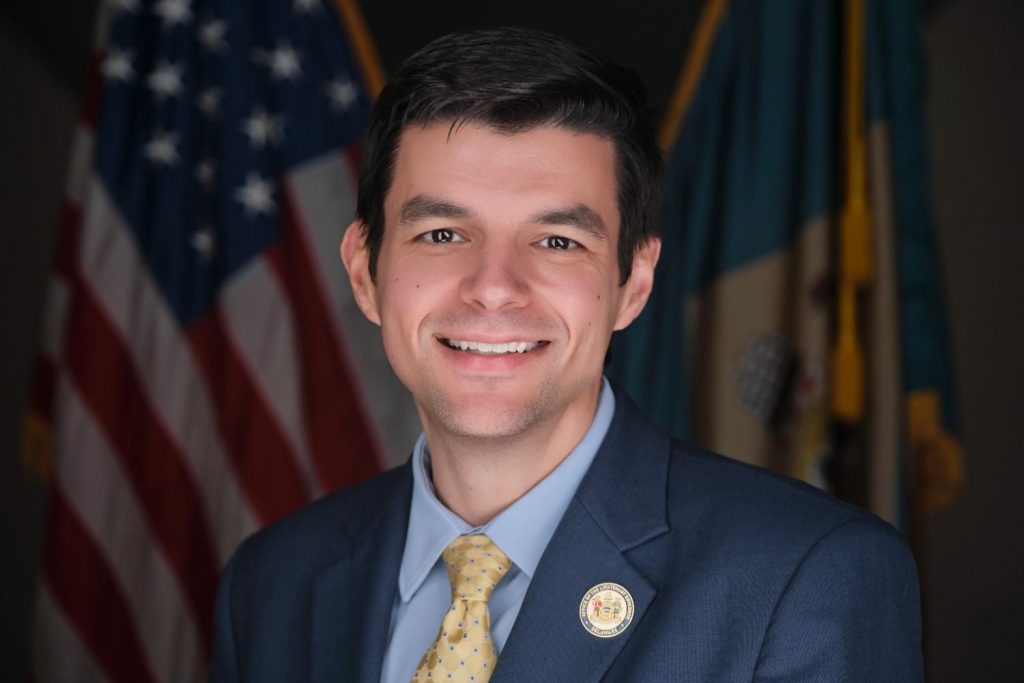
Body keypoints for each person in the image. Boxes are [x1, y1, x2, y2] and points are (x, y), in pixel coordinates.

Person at [210, 27, 922, 682]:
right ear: (364, 271)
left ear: (632, 284)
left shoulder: (806, 576)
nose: (494, 288)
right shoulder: (270, 585)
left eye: (557, 242)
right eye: (442, 234)